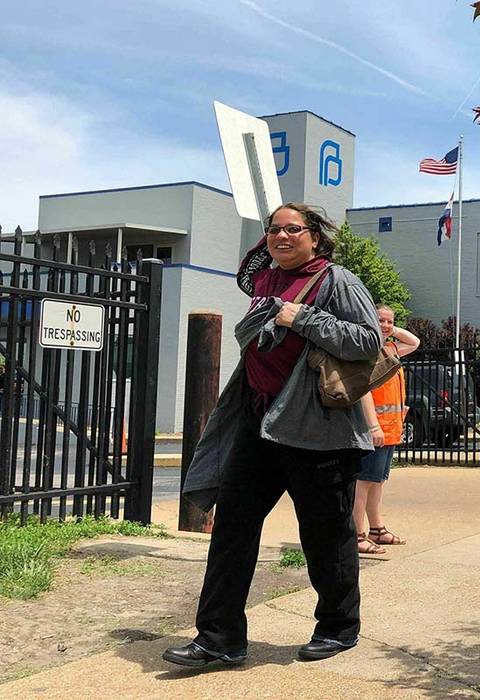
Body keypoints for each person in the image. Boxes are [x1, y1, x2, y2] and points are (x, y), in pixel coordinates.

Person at [163, 203, 382, 668]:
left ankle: (338, 627)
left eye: (293, 229)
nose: (282, 236)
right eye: (274, 230)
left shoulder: (335, 280)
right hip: (259, 423)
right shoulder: (265, 283)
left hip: (318, 432)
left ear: (315, 238)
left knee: (325, 535)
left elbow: (367, 343)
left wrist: (299, 317)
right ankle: (219, 637)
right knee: (233, 529)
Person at [354, 304, 419, 555]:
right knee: (363, 482)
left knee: (377, 481)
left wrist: (389, 331)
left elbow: (414, 341)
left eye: (389, 321)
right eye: (380, 320)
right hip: (375, 429)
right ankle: (357, 534)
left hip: (391, 429)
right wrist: (372, 426)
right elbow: (364, 391)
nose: (385, 325)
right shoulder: (367, 352)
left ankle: (377, 530)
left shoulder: (390, 349)